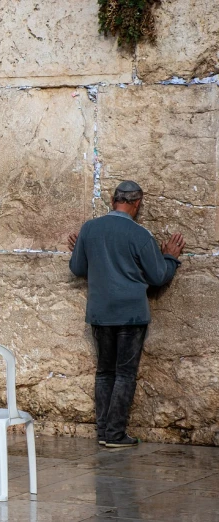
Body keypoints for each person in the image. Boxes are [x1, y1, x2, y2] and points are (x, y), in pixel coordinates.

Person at [68, 180, 185, 448]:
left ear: (112, 200)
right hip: (131, 315)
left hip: (100, 314)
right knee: (124, 374)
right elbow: (157, 277)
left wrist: (82, 249)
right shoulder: (140, 235)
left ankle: (103, 432)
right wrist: (169, 258)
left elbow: (77, 267)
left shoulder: (89, 229)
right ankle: (116, 434)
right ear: (137, 204)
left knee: (104, 372)